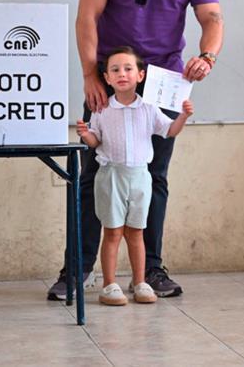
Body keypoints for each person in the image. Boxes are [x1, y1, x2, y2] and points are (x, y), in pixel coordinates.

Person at [47, 0, 224, 300]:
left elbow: (212, 18)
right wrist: (91, 75)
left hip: (164, 82)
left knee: (154, 178)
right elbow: (87, 16)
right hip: (112, 78)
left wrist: (207, 55)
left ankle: (152, 272)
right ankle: (76, 272)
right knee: (93, 177)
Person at [76, 46, 193, 305]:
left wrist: (183, 116)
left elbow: (169, 131)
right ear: (106, 78)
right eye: (115, 70)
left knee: (137, 232)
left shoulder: (149, 108)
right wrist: (86, 135)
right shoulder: (102, 109)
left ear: (141, 76)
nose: (122, 74)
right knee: (113, 232)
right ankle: (109, 285)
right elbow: (95, 142)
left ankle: (140, 282)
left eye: (128, 69)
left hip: (140, 178)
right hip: (111, 178)